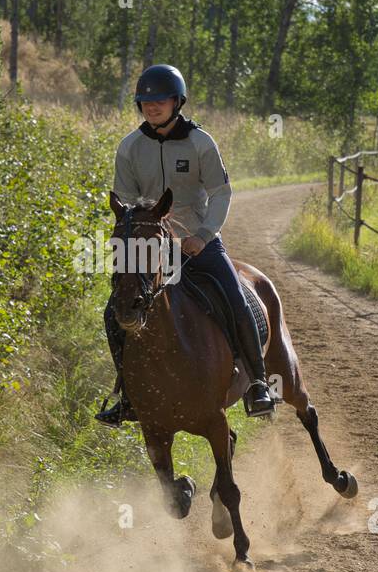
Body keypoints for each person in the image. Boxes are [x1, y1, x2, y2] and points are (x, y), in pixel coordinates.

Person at [96, 63, 276, 425]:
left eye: (160, 100)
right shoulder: (129, 148)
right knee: (113, 313)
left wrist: (203, 235)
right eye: (145, 100)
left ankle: (258, 384)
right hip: (151, 248)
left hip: (200, 241)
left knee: (237, 299)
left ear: (177, 102)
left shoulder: (200, 143)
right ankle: (128, 396)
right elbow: (127, 205)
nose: (151, 106)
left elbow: (221, 193)